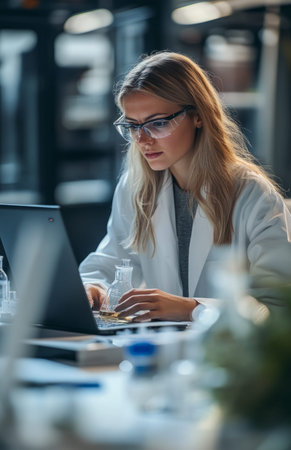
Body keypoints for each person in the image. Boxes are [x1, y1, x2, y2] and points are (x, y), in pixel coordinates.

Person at [79, 51, 291, 322]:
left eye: (157, 123)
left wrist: (193, 308)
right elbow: (111, 260)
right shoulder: (136, 187)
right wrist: (93, 287)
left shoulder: (251, 194)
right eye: (133, 126)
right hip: (164, 348)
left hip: (233, 357)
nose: (143, 139)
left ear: (198, 116)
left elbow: (279, 308)